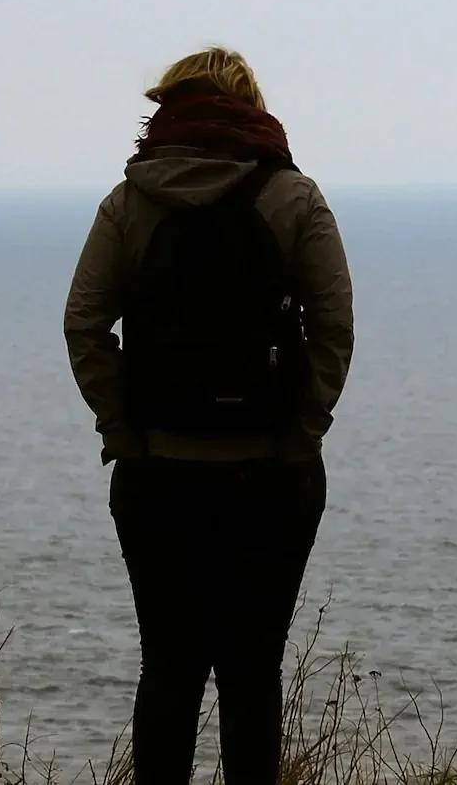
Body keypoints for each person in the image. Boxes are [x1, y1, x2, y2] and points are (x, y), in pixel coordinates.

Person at [63, 47, 354, 785]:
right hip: (271, 471)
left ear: (169, 110)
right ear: (252, 109)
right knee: (252, 671)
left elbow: (85, 324)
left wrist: (124, 430)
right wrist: (302, 433)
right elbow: (333, 325)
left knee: (169, 668)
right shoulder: (293, 196)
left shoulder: (129, 201)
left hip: (158, 468)